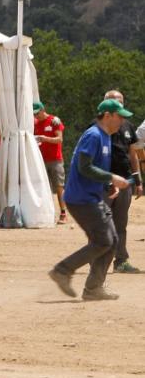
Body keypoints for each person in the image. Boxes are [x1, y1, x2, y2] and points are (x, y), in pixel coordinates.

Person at [48, 98, 133, 301]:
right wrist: (112, 177)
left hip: (92, 196)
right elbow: (84, 167)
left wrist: (107, 184)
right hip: (81, 198)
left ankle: (94, 288)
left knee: (112, 241)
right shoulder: (93, 135)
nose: (122, 121)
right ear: (107, 116)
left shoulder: (106, 137)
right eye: (119, 116)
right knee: (103, 240)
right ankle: (62, 270)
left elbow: (96, 168)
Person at [100, 90, 141, 273]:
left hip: (124, 182)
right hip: (103, 184)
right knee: (101, 223)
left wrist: (137, 179)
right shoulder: (97, 128)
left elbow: (132, 154)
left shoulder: (128, 126)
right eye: (115, 101)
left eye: (121, 101)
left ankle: (121, 261)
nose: (120, 104)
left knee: (121, 223)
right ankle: (98, 262)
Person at [34, 101, 68, 224]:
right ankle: (48, 214)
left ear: (43, 110)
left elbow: (59, 139)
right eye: (34, 114)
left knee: (59, 187)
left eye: (37, 113)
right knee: (45, 188)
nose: (35, 116)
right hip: (41, 161)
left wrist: (45, 138)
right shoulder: (35, 123)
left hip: (55, 160)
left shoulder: (54, 121)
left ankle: (63, 213)